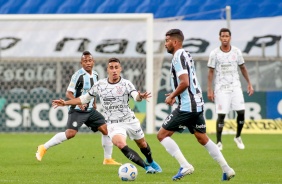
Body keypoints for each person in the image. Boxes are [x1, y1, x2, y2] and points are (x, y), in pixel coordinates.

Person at [52, 57, 162, 174]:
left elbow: (136, 96)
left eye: (116, 68)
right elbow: (83, 99)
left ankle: (150, 161)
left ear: (120, 69)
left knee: (142, 144)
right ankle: (146, 167)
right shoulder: (100, 85)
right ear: (107, 70)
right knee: (120, 144)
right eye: (111, 68)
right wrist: (65, 102)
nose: (114, 70)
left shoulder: (126, 84)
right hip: (114, 124)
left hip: (130, 120)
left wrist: (140, 96)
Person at [157, 29, 235, 181]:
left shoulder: (178, 57)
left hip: (187, 106)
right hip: (197, 103)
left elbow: (185, 82)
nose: (165, 44)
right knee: (202, 137)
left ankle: (185, 165)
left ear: (175, 42)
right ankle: (227, 169)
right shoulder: (186, 54)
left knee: (162, 135)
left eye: (167, 41)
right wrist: (176, 95)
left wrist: (173, 95)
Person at [36, 51, 121, 165]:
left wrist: (94, 103)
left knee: (106, 130)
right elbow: (68, 93)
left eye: (90, 61)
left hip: (90, 110)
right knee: (70, 134)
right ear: (81, 63)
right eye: (85, 61)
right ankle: (43, 147)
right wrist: (78, 103)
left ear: (93, 62)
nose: (88, 63)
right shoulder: (78, 75)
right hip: (77, 110)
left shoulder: (95, 75)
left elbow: (93, 91)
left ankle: (107, 159)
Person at [207, 28, 254, 150]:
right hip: (221, 88)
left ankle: (237, 137)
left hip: (235, 87)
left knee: (241, 113)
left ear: (230, 38)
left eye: (226, 36)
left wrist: (249, 83)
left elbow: (243, 68)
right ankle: (219, 142)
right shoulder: (214, 54)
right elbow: (210, 72)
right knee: (221, 115)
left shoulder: (237, 52)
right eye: (222, 36)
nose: (224, 38)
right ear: (219, 38)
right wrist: (209, 89)